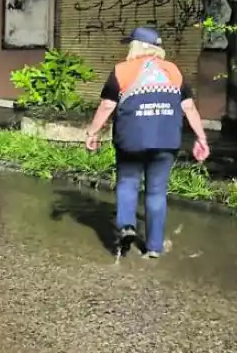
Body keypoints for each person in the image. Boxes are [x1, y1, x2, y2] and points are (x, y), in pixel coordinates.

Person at [84, 26, 209, 258]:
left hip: (131, 140)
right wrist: (201, 137)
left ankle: (127, 226)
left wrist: (92, 132)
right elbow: (188, 107)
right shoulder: (173, 71)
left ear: (136, 46)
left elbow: (107, 106)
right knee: (156, 193)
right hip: (167, 141)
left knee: (128, 182)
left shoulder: (122, 70)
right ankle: (153, 247)